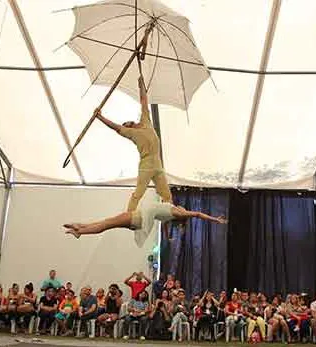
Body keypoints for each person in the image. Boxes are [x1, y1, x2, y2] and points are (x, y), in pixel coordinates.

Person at [95, 76, 172, 212]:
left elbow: (144, 101)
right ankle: (129, 214)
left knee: (167, 195)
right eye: (125, 125)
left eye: (126, 123)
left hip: (157, 164)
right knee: (138, 194)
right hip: (146, 164)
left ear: (131, 122)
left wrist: (141, 85)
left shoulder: (145, 120)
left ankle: (170, 213)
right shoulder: (130, 133)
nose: (126, 125)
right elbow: (115, 127)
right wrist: (100, 117)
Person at [64, 203, 227, 248]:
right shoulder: (172, 212)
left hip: (138, 218)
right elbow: (163, 223)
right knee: (106, 223)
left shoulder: (179, 213)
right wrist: (167, 235)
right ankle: (80, 227)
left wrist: (215, 219)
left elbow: (198, 214)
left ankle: (81, 230)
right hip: (138, 221)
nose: (185, 208)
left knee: (106, 223)